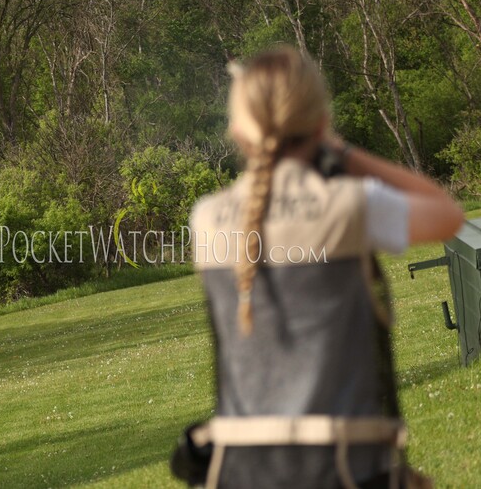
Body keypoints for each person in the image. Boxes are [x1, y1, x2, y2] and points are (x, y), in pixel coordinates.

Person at [183, 45, 464, 489]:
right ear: (319, 122)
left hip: (240, 473)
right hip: (348, 469)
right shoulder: (352, 205)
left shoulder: (205, 220)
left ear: (238, 132)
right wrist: (344, 153)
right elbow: (446, 213)